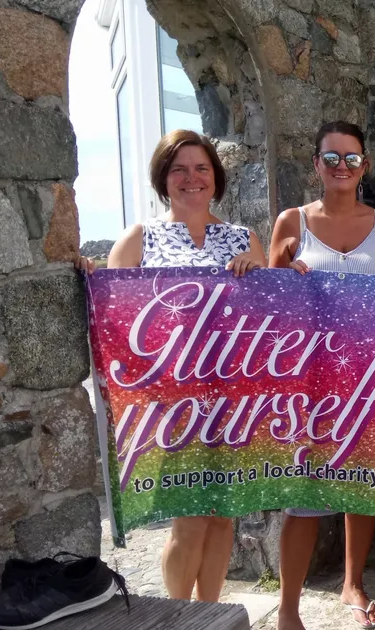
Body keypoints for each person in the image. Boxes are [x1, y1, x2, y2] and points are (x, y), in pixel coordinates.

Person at [78, 129, 266, 602]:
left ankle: (210, 612)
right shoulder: (140, 237)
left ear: (215, 177)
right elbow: (114, 315)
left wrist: (264, 275)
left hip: (233, 399)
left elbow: (270, 321)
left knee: (224, 514)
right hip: (171, 403)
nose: (191, 178)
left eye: (201, 167)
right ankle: (178, 616)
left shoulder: (245, 239)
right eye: (179, 169)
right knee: (189, 516)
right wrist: (91, 278)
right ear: (163, 178)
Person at [267, 121, 375, 630]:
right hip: (307, 383)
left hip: (368, 380)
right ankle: (287, 609)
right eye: (332, 158)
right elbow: (265, 307)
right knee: (303, 497)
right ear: (316, 165)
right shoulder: (290, 222)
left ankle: (353, 584)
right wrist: (277, 270)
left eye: (351, 158)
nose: (342, 167)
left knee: (360, 486)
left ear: (365, 165)